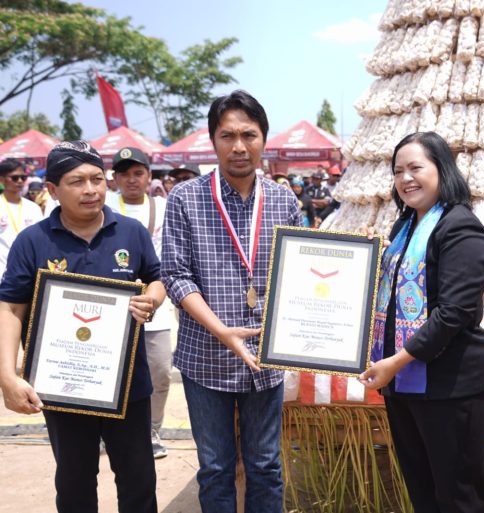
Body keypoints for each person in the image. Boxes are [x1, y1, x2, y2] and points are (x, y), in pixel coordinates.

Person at [0, 141, 164, 512]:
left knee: (139, 480)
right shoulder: (33, 241)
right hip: (63, 386)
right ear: (53, 190)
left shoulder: (131, 232)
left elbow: (156, 278)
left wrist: (152, 299)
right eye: (77, 182)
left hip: (127, 384)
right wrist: (7, 377)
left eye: (96, 179)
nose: (90, 190)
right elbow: (10, 307)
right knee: (74, 482)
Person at [161, 90, 302, 513]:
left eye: (249, 135)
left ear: (264, 139)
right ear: (213, 140)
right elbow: (176, 276)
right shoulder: (185, 198)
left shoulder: (283, 200)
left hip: (264, 358)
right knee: (215, 468)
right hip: (206, 357)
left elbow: (299, 272)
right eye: (228, 136)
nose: (239, 146)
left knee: (266, 466)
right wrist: (222, 331)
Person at [359, 131, 484, 513]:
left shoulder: (460, 227)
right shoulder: (403, 228)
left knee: (458, 498)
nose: (405, 179)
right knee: (423, 492)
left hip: (449, 386)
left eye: (415, 168)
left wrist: (396, 361)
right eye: (397, 171)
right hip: (404, 386)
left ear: (442, 170)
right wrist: (369, 259)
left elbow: (452, 313)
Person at [107, 147, 173, 460]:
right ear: (115, 178)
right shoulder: (104, 206)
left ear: (148, 176)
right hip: (111, 308)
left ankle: (152, 429)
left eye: (138, 173)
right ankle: (106, 428)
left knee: (160, 371)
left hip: (154, 304)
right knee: (110, 369)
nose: (131, 180)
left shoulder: (165, 207)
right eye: (124, 174)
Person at [0, 158, 43, 279]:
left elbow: (40, 240)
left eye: (23, 178)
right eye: (14, 178)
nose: (20, 181)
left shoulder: (33, 208)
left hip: (28, 271)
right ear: (2, 180)